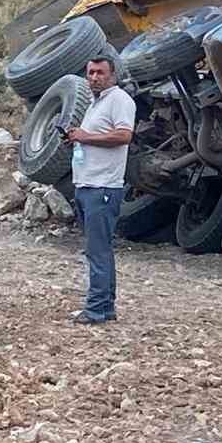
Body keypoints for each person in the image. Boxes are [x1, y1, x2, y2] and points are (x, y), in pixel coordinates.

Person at [64, 55, 135, 325]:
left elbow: (124, 136)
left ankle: (96, 310)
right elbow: (97, 136)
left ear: (113, 75)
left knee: (99, 250)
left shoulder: (119, 100)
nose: (94, 77)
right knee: (97, 249)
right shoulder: (96, 103)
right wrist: (76, 138)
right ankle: (104, 307)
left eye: (100, 72)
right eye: (91, 72)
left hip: (102, 187)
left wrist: (86, 136)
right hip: (87, 184)